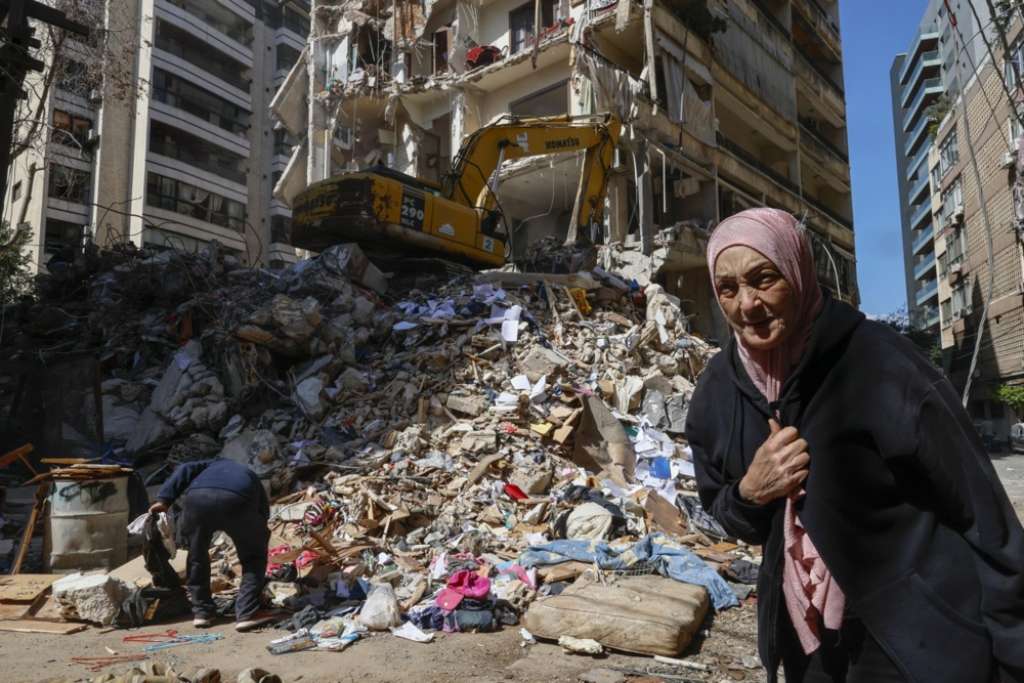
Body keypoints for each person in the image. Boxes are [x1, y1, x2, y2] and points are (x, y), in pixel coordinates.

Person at [686, 208, 1024, 683]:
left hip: (914, 640)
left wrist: (1014, 652)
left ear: (798, 271)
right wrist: (751, 492)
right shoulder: (718, 391)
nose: (747, 304)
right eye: (727, 288)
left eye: (764, 279)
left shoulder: (881, 362)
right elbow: (724, 510)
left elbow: (983, 514)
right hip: (807, 641)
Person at [149, 459, 272, 631]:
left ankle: (202, 612)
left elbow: (184, 467)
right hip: (236, 500)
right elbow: (263, 509)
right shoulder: (248, 473)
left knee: (196, 556)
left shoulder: (206, 465)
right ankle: (247, 613)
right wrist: (258, 532)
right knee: (254, 557)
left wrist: (164, 499)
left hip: (197, 502)